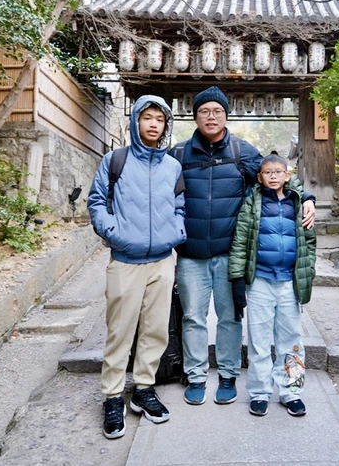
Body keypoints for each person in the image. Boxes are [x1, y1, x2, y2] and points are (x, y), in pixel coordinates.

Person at [170, 86, 315, 406]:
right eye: (204, 111)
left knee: (230, 317)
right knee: (193, 317)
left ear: (226, 115)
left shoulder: (241, 151)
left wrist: (307, 198)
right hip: (191, 255)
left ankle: (228, 374)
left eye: (217, 111)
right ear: (195, 116)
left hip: (229, 254)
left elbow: (274, 175)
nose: (211, 116)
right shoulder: (179, 154)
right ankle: (195, 376)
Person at [87, 95, 186, 439]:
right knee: (120, 331)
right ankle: (113, 396)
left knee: (156, 330)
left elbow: (180, 205)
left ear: (166, 125)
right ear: (136, 122)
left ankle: (144, 389)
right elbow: (97, 201)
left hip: (162, 260)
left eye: (160, 119)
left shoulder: (172, 167)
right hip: (125, 261)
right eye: (148, 117)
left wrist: (177, 231)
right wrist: (113, 232)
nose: (154, 124)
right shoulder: (115, 160)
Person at [228, 154, 316, 417]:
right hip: (260, 281)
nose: (274, 176)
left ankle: (292, 391)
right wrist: (237, 279)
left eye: (279, 172)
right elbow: (240, 242)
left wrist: (307, 270)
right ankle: (259, 392)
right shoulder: (252, 202)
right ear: (260, 177)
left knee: (292, 339)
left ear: (288, 175)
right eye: (268, 172)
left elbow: (309, 242)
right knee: (259, 339)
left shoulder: (298, 202)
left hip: (289, 281)